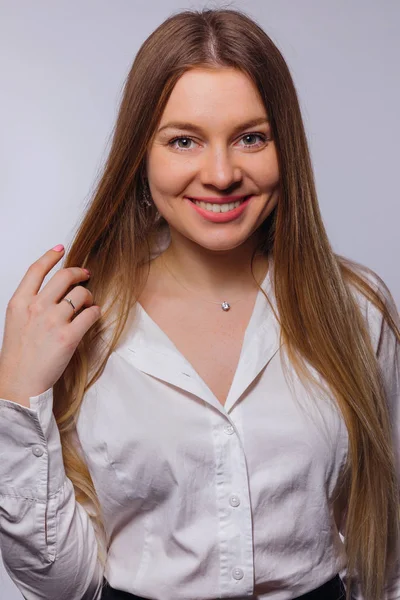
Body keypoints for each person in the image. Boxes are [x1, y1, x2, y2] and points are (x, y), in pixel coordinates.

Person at [0, 7, 399, 600]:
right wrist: (16, 395)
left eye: (251, 137)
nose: (221, 173)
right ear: (142, 155)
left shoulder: (357, 308)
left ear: (284, 147)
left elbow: (382, 549)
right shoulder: (76, 323)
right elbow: (62, 585)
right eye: (184, 140)